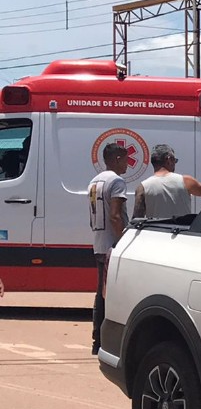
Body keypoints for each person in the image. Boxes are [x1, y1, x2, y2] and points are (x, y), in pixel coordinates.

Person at [88, 143, 129, 354]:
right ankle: (108, 342)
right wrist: (123, 241)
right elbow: (115, 215)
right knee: (112, 295)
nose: (128, 164)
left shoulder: (95, 181)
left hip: (98, 243)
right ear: (117, 158)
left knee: (100, 293)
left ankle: (97, 340)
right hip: (113, 246)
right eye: (125, 159)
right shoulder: (117, 182)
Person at [133, 144, 201, 220]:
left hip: (156, 236)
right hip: (181, 235)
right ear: (169, 159)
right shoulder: (185, 181)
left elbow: (136, 219)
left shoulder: (142, 187)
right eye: (175, 160)